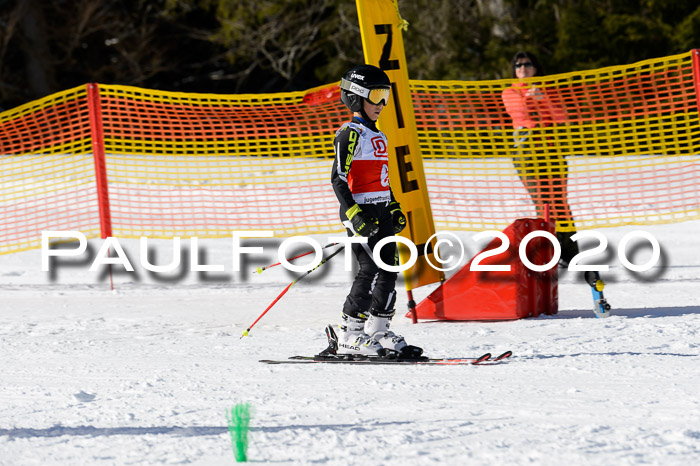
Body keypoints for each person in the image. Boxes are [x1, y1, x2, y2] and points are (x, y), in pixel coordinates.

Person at [329, 64, 422, 358]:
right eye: (376, 96)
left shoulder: (378, 135)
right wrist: (355, 213)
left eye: (386, 96)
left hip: (380, 211)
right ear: (356, 98)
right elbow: (338, 179)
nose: (381, 104)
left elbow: (383, 179)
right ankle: (349, 334)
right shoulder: (350, 133)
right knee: (368, 269)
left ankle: (378, 330)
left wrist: (393, 205)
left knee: (390, 268)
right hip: (360, 214)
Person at [501, 51, 579, 266]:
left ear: (536, 68)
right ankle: (550, 252)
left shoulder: (548, 91)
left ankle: (571, 252)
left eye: (527, 64)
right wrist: (529, 98)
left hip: (552, 149)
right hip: (526, 151)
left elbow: (562, 116)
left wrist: (543, 99)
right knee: (542, 201)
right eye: (518, 65)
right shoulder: (510, 92)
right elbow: (519, 113)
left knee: (560, 202)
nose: (522, 68)